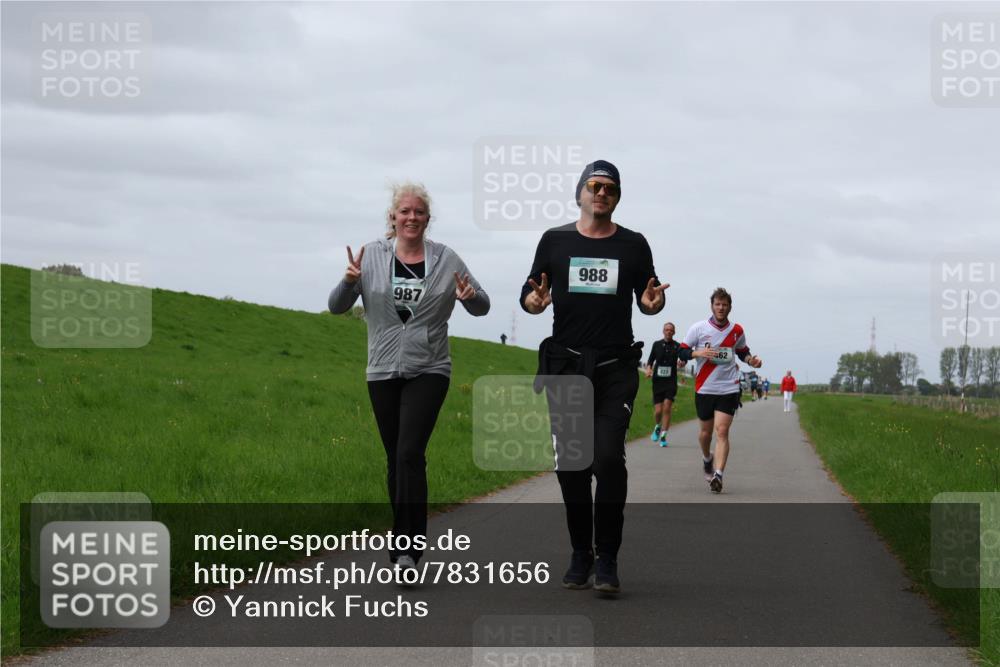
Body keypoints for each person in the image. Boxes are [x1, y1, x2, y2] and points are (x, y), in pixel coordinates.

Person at [520, 159, 667, 594]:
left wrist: (654, 304)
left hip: (614, 367)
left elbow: (648, 300)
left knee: (605, 457)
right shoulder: (555, 240)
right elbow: (530, 296)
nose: (601, 193)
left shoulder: (634, 245)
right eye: (594, 186)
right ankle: (580, 552)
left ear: (617, 197)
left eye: (609, 188)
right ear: (580, 193)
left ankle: (607, 557)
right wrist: (536, 300)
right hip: (566, 366)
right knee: (572, 466)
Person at [329, 182, 490, 573]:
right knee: (395, 459)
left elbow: (483, 306)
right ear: (393, 217)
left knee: (408, 453)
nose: (411, 217)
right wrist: (350, 280)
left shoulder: (447, 259)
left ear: (427, 219)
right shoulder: (370, 257)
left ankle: (409, 551)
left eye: (419, 212)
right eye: (405, 211)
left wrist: (469, 298)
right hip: (382, 369)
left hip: (430, 367)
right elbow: (336, 306)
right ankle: (402, 539)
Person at [679, 288, 762, 494]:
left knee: (722, 431)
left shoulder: (737, 330)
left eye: (725, 304)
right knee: (705, 433)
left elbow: (743, 352)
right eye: (718, 304)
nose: (721, 308)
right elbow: (682, 350)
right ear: (712, 306)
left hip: (728, 387)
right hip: (705, 387)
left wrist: (753, 361)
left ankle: (718, 474)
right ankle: (707, 458)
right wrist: (698, 352)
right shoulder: (698, 329)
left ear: (730, 307)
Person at [644, 322, 684, 447]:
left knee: (667, 407)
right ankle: (657, 426)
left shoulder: (678, 346)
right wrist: (649, 369)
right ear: (663, 331)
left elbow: (684, 358)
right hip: (658, 382)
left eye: (671, 330)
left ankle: (663, 436)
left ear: (674, 332)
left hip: (671, 382)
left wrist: (682, 362)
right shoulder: (656, 345)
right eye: (666, 329)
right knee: (658, 411)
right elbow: (650, 360)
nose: (668, 332)